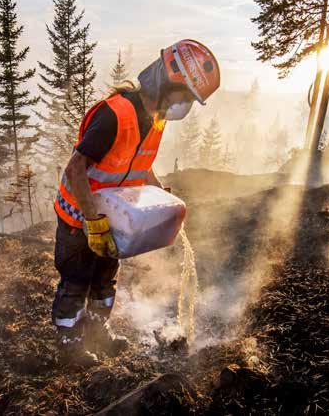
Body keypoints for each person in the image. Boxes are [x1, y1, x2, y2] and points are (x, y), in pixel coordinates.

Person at [52, 39, 221, 367]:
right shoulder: (115, 114)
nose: (184, 105)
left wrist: (161, 195)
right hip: (78, 216)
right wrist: (91, 220)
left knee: (105, 276)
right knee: (76, 280)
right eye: (184, 95)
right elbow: (75, 169)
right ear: (165, 81)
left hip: (112, 215)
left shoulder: (155, 119)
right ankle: (69, 344)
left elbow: (140, 162)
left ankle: (99, 330)